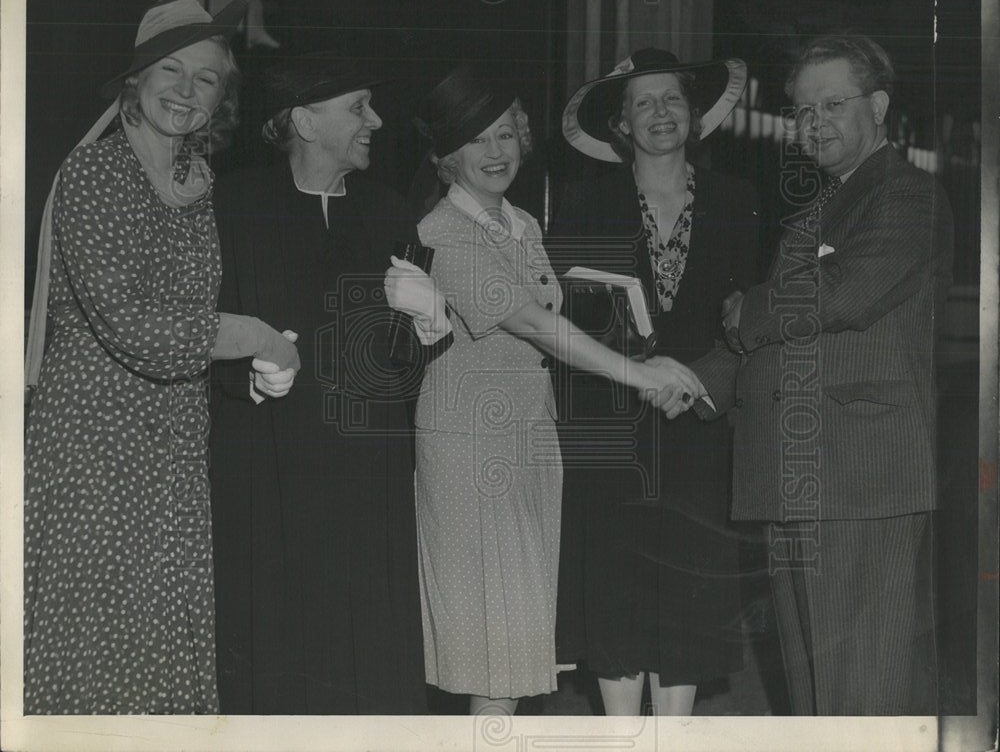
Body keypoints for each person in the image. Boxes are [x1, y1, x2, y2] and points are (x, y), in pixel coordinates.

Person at [23, 0, 301, 715]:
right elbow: (139, 328)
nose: (185, 90)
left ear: (222, 98)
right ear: (135, 82)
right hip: (94, 448)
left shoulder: (197, 186)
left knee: (160, 649)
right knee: (92, 651)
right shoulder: (96, 176)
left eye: (206, 78)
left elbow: (193, 318)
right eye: (169, 71)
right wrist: (258, 338)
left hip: (173, 453)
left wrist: (256, 363)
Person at [670, 34, 954, 715]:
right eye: (802, 110)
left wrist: (749, 311)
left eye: (832, 104)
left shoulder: (907, 194)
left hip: (860, 480)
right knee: (814, 694)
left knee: (860, 691)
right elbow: (761, 342)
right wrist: (681, 378)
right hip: (802, 477)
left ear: (879, 106)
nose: (814, 123)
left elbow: (845, 294)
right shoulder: (821, 209)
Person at [411, 65, 702, 716]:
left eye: (507, 135)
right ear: (444, 155)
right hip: (469, 447)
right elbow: (535, 324)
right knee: (489, 644)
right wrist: (640, 373)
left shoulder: (521, 225)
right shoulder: (442, 234)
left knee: (514, 641)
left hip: (531, 437)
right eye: (478, 140)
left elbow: (557, 315)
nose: (497, 152)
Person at [208, 52, 452, 714]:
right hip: (267, 471)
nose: (375, 120)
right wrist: (247, 379)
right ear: (305, 121)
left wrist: (432, 325)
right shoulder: (230, 206)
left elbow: (400, 368)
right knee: (276, 650)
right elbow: (197, 329)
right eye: (357, 106)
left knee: (369, 650)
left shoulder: (388, 211)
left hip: (366, 475)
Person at [547, 47, 761, 716]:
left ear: (695, 114)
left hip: (699, 427)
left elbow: (751, 316)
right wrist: (635, 375)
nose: (660, 112)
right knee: (616, 589)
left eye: (672, 99)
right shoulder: (581, 204)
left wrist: (695, 382)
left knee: (689, 589)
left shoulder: (738, 202)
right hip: (611, 427)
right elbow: (567, 319)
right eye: (643, 102)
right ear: (620, 124)